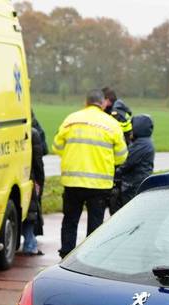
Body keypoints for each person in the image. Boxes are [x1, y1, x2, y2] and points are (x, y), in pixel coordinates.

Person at [53, 89, 128, 257]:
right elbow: (122, 156)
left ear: (85, 102)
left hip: (73, 182)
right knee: (95, 224)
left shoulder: (71, 120)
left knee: (70, 220)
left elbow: (57, 147)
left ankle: (66, 255)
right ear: (103, 104)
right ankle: (90, 256)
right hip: (99, 185)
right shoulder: (111, 124)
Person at [19, 111, 47, 256]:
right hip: (29, 176)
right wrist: (40, 181)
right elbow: (38, 161)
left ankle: (29, 243)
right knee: (30, 211)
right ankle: (30, 244)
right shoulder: (33, 133)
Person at [115, 113, 156, 207]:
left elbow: (128, 163)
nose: (131, 130)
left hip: (134, 184)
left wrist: (115, 173)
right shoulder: (142, 142)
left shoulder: (142, 144)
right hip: (136, 182)